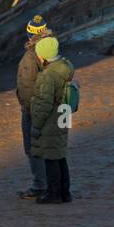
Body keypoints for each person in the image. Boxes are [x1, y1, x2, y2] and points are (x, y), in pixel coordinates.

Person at [29, 35, 74, 204]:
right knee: (60, 154)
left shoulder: (48, 75)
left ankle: (53, 194)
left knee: (51, 157)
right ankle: (65, 192)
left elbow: (44, 103)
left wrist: (37, 125)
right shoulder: (66, 67)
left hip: (52, 119)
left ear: (45, 54)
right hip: (64, 114)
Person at [16, 15, 50, 199]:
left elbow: (27, 88)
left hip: (34, 109)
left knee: (33, 148)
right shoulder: (51, 50)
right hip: (50, 106)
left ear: (29, 35)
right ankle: (50, 184)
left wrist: (29, 110)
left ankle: (40, 185)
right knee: (50, 147)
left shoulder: (30, 58)